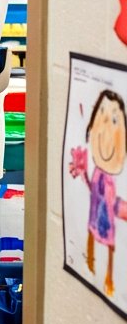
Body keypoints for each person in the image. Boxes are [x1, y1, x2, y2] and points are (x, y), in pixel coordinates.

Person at [69, 89, 127, 296]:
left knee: (109, 245)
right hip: (95, 216)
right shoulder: (98, 176)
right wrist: (82, 172)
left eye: (113, 121)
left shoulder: (110, 181)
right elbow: (92, 189)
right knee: (92, 234)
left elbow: (111, 202)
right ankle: (91, 263)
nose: (104, 132)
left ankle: (108, 276)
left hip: (106, 218)